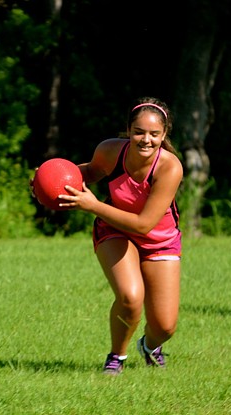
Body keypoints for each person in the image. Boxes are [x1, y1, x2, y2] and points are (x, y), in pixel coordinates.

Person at [58, 97, 183, 375]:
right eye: (139, 132)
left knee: (164, 327)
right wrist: (51, 180)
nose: (145, 140)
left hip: (159, 240)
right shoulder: (111, 151)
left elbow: (143, 225)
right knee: (130, 296)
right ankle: (117, 357)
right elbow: (89, 172)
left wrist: (94, 206)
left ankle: (150, 346)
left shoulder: (169, 167)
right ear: (128, 130)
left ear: (164, 135)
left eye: (154, 134)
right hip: (114, 230)